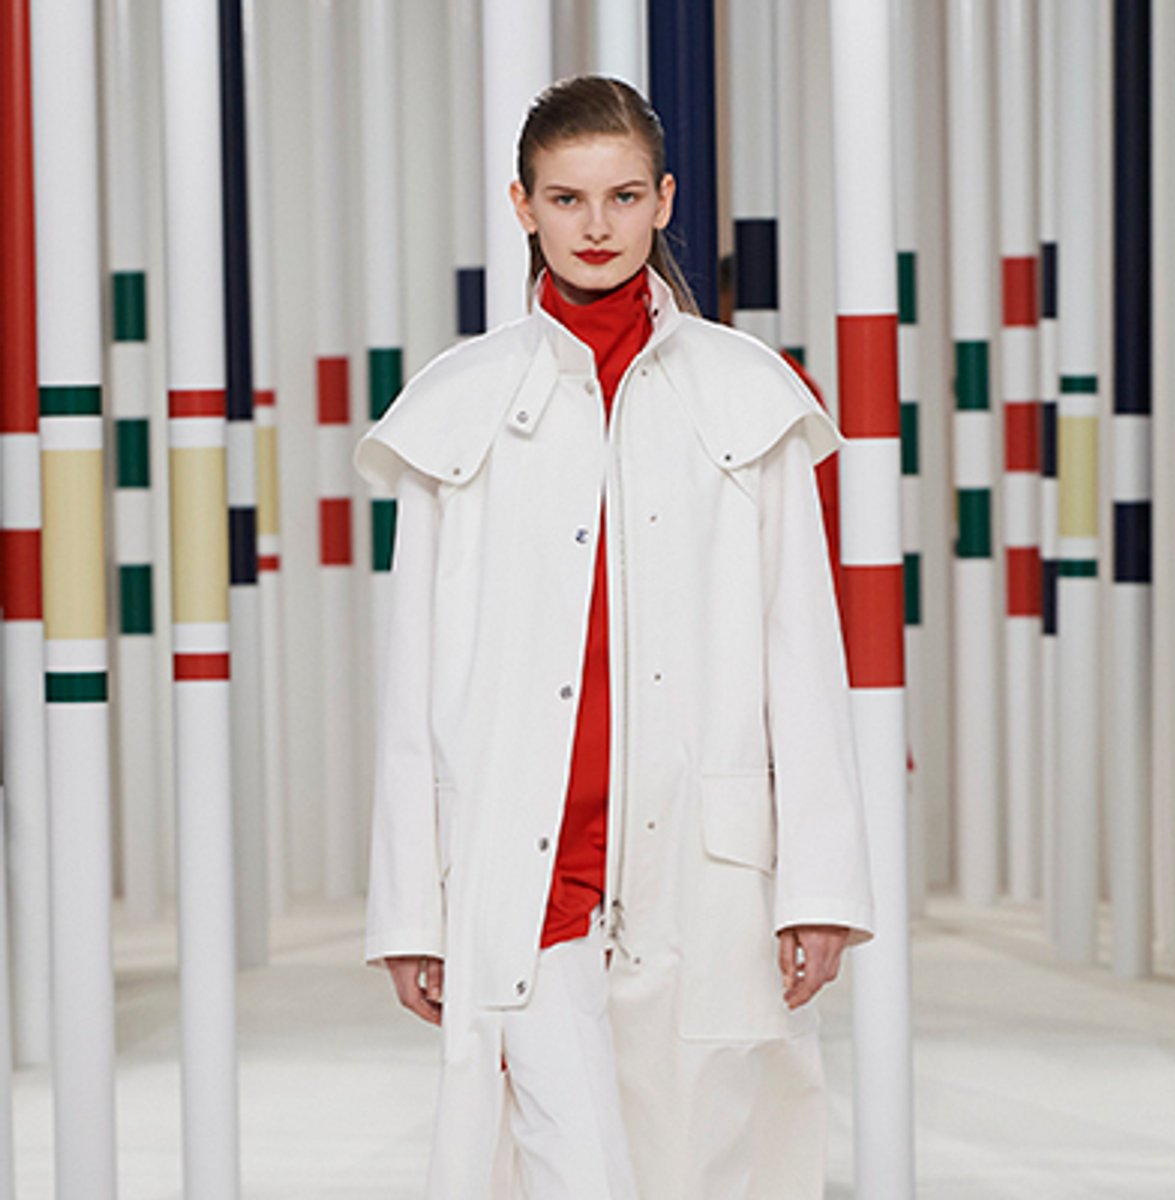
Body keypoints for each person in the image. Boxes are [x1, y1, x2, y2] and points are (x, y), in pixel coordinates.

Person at [354, 75, 875, 1200]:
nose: (596, 225)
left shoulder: (748, 393)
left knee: (701, 1161)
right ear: (523, 206)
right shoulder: (460, 403)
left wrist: (821, 886)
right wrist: (409, 903)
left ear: (664, 200)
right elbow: (413, 681)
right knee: (571, 1166)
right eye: (567, 198)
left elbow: (802, 656)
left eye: (623, 196)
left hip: (701, 862)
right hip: (521, 868)